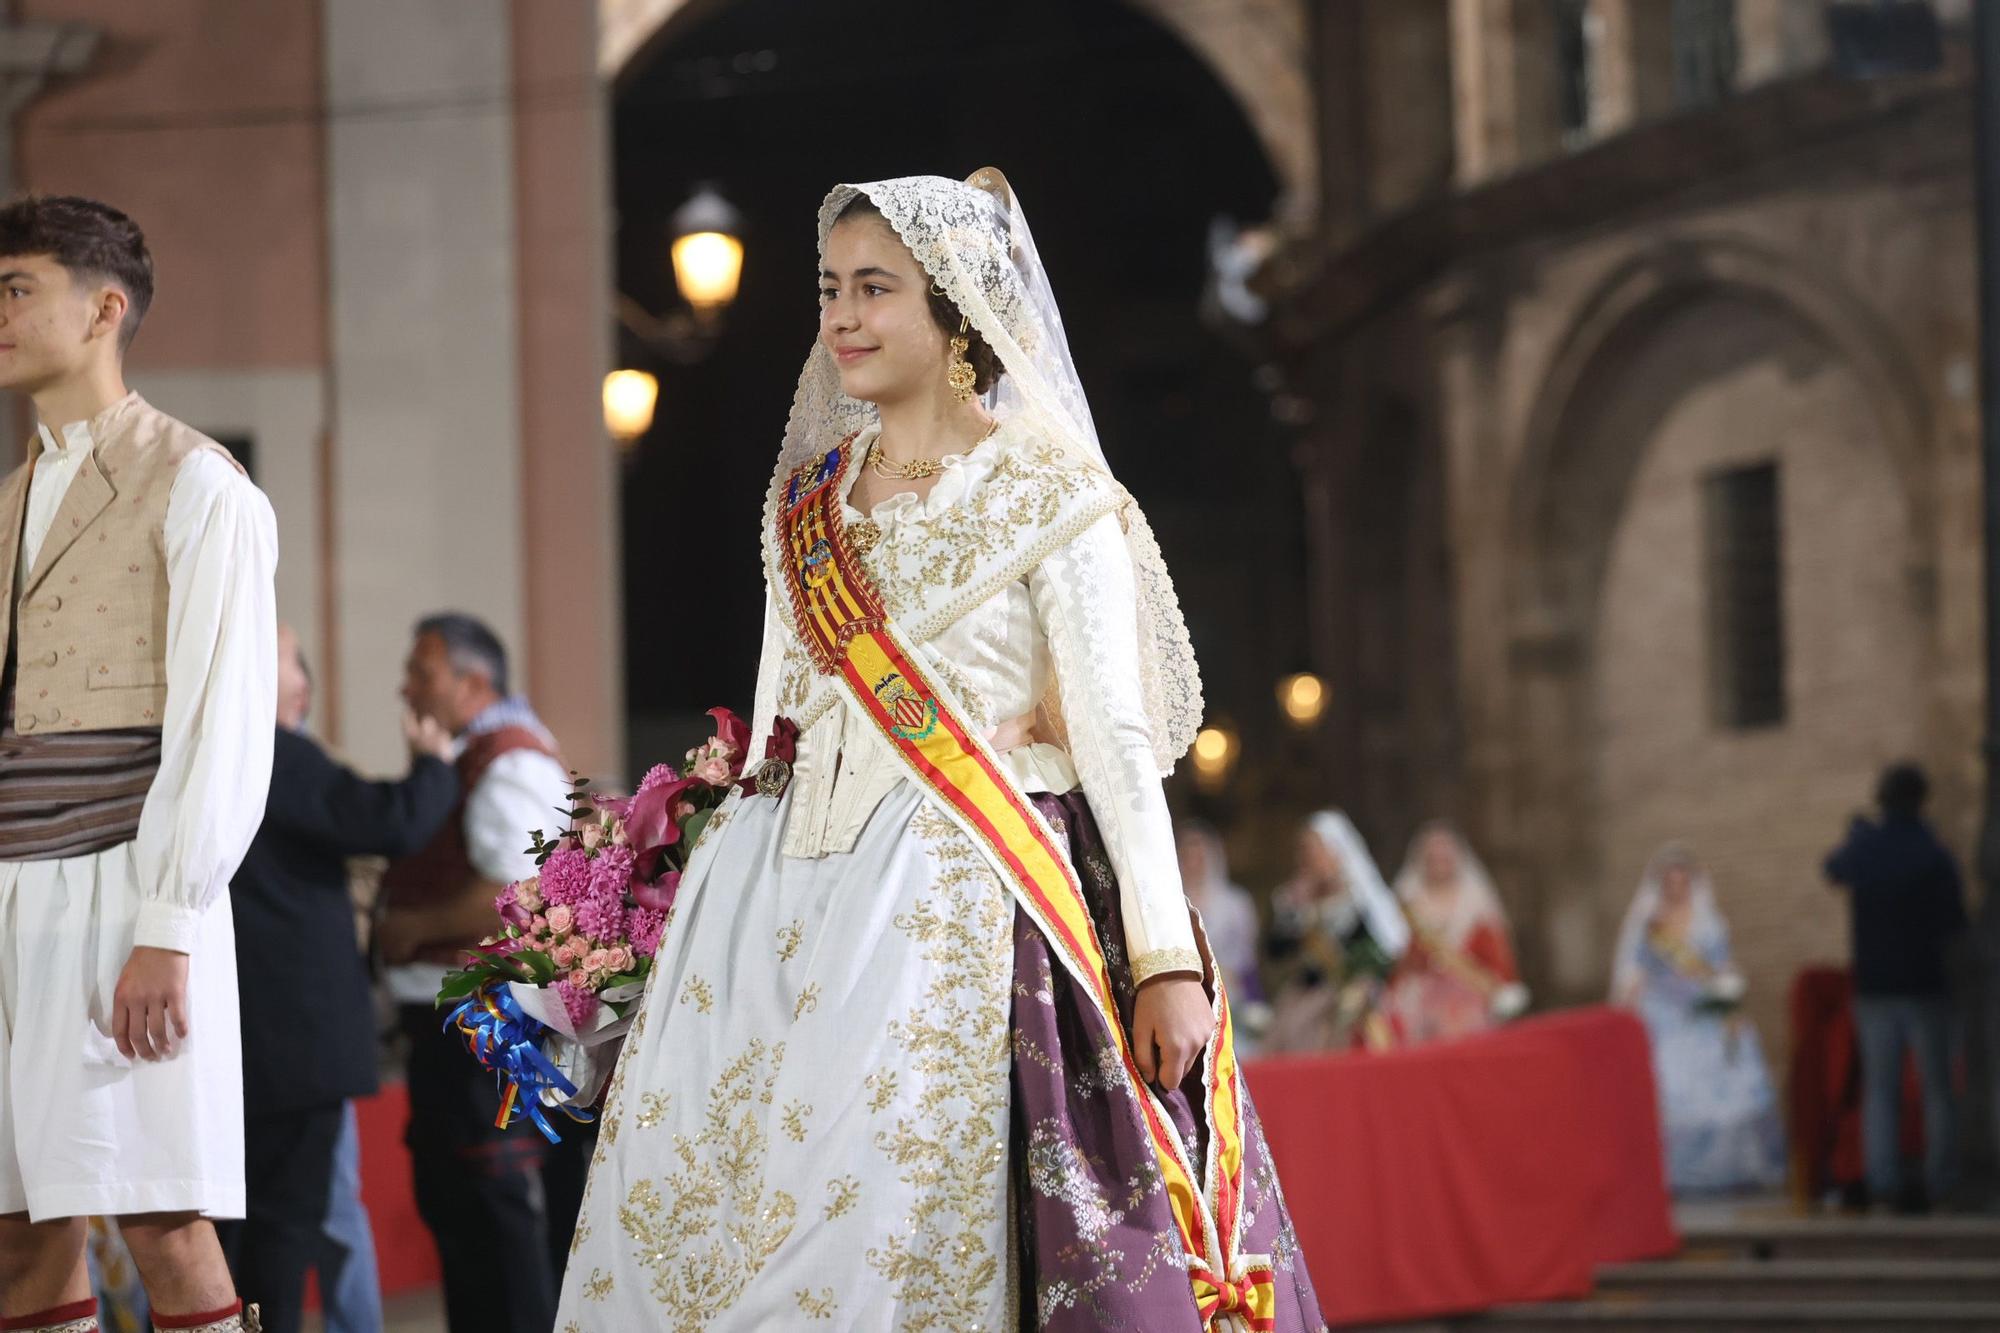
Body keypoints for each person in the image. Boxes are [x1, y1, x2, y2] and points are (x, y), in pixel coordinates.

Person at [554, 171, 1323, 1330]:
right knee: (722, 1213)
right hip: (773, 903)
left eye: (876, 289)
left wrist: (1163, 954)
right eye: (829, 290)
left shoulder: (1049, 491)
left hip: (963, 895)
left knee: (881, 1216)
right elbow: (778, 717)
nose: (843, 317)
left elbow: (1112, 733)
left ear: (955, 306)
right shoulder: (806, 503)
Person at [0, 196, 278, 1333]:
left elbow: (226, 717)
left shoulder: (198, 482)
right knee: (22, 1227)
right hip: (15, 884)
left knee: (162, 1216)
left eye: (16, 288)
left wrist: (168, 919)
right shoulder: (14, 494)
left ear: (103, 307)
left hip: (129, 887)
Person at [215, 625, 458, 1333]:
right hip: (295, 1049)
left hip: (258, 1044)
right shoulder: (271, 753)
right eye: (290, 655)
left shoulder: (222, 754)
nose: (303, 673)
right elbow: (388, 819)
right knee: (282, 1235)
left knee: (254, 1229)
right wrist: (432, 763)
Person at [375, 614, 580, 1333]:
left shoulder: (511, 762)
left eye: (422, 672)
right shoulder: (476, 757)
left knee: (495, 1218)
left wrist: (412, 928)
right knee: (464, 1212)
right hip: (460, 1027)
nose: (406, 686)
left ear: (473, 682)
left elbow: (521, 892)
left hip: (484, 1027)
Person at [1824, 762, 1968, 1212]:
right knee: (1938, 1089)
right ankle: (1940, 1180)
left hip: (1876, 988)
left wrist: (1859, 836)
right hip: (1926, 985)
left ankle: (1883, 1181)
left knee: (1881, 1092)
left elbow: (1833, 868)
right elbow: (1955, 921)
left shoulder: (1869, 847)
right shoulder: (1932, 850)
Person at [1610, 844, 1785, 1193]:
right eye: (1670, 883)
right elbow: (1640, 969)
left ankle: (1725, 1170)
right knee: (1667, 1081)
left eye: (1682, 882)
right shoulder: (1652, 923)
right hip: (1663, 1013)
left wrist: (1729, 1003)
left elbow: (1719, 966)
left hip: (1703, 1009)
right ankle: (1670, 1173)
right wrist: (1626, 1002)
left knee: (1729, 1067)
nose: (1676, 889)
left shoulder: (1708, 922)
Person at [1265, 810, 1409, 1053]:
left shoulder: (1359, 898)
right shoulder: (1294, 898)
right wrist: (1297, 911)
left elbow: (1383, 950)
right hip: (1306, 993)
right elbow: (1275, 951)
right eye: (1306, 852)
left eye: (1317, 851)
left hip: (1351, 995)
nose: (1311, 859)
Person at [1383, 821, 1527, 1046]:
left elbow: (1495, 955)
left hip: (1467, 992)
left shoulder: (1476, 900)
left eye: (1445, 857)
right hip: (1419, 993)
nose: (1439, 864)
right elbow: (1395, 954)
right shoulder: (1407, 899)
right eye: (1433, 858)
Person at [1175, 819, 1261, 1001]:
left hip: (1230, 992)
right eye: (1187, 857)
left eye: (1199, 857)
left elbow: (1246, 959)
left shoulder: (1236, 903)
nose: (1193, 864)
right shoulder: (1172, 904)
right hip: (1184, 991)